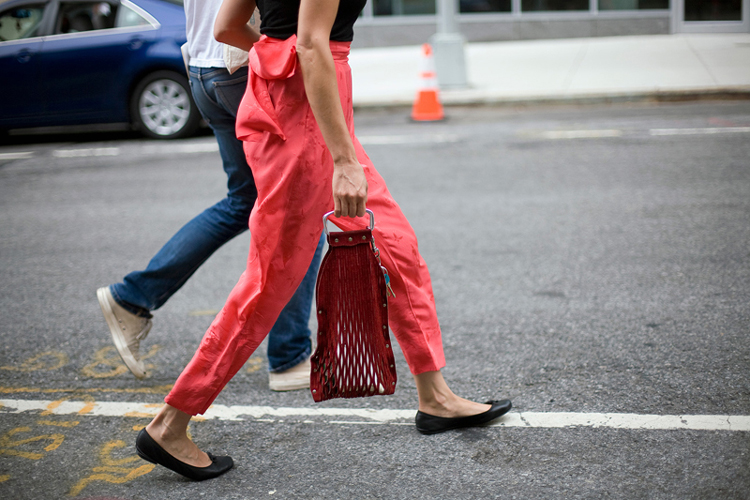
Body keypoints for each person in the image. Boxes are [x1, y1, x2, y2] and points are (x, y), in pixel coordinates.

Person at [134, 0, 512, 481]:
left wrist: (280, 60)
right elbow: (312, 42)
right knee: (271, 279)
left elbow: (230, 27)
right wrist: (342, 156)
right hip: (307, 110)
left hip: (308, 98)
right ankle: (170, 423)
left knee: (395, 245)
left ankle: (435, 395)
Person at [96, 0, 325, 391]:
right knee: (301, 209)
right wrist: (282, 57)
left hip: (204, 71)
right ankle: (289, 355)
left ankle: (133, 296)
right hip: (240, 68)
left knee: (243, 202)